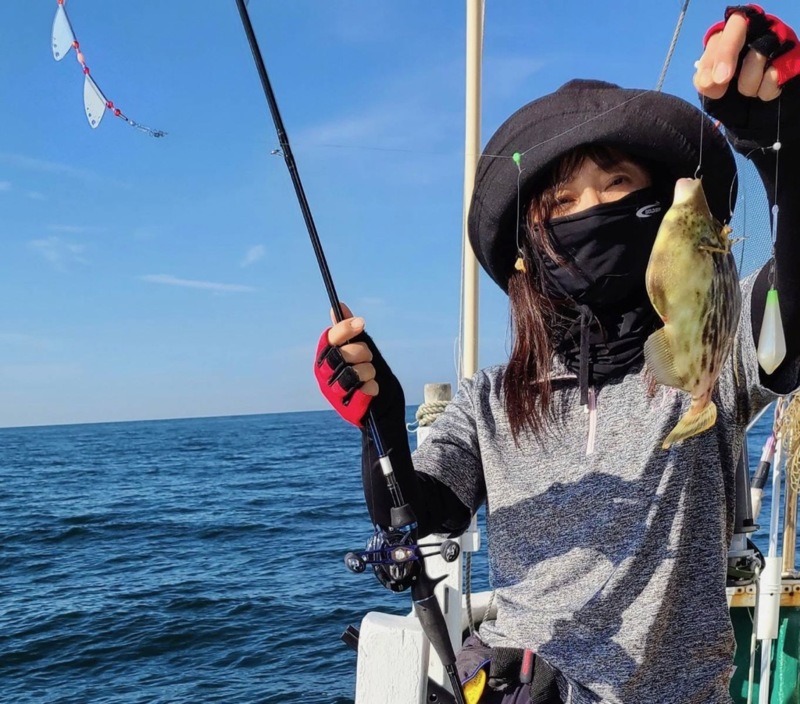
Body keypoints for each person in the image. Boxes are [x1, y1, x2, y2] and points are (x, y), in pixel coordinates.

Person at [314, 5, 800, 704]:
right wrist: (381, 422)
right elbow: (416, 513)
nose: (592, 208)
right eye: (562, 201)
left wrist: (782, 143)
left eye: (618, 184)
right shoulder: (488, 401)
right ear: (530, 244)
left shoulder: (716, 351)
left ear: (659, 207)